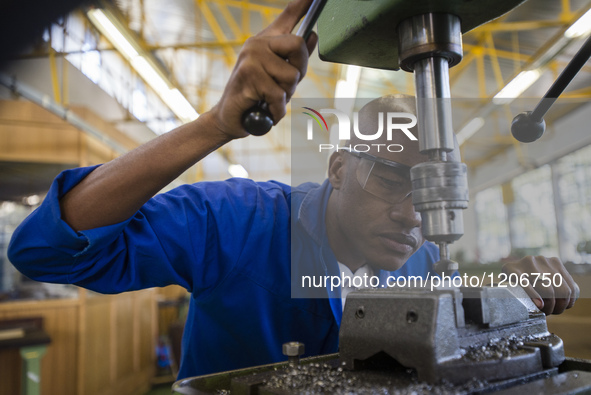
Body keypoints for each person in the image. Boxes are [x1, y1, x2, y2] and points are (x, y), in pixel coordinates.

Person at [7, 0, 578, 380]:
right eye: (390, 179)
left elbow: (456, 313)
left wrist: (511, 285)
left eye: (430, 197)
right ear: (337, 171)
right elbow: (46, 250)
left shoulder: (424, 258)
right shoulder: (240, 224)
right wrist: (215, 125)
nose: (413, 216)